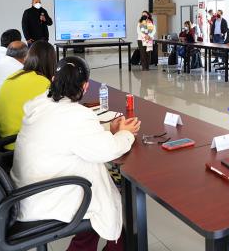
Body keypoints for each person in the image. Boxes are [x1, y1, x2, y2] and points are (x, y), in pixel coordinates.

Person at [11, 56, 141, 251]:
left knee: (97, 207)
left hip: (27, 189)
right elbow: (107, 151)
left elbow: (71, 137)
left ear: (53, 80)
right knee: (106, 206)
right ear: (85, 86)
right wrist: (125, 134)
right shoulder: (76, 116)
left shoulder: (39, 105)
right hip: (48, 195)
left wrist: (109, 130)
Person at [0, 41, 56, 149]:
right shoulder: (43, 82)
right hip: (20, 145)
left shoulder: (14, 75)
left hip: (2, 138)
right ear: (51, 62)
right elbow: (54, 116)